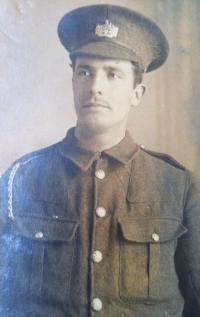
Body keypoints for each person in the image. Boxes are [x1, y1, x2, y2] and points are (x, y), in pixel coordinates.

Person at [0, 4, 200, 317]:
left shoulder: (177, 184)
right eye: (84, 71)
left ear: (137, 93)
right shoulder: (21, 178)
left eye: (113, 74)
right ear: (73, 81)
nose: (95, 86)